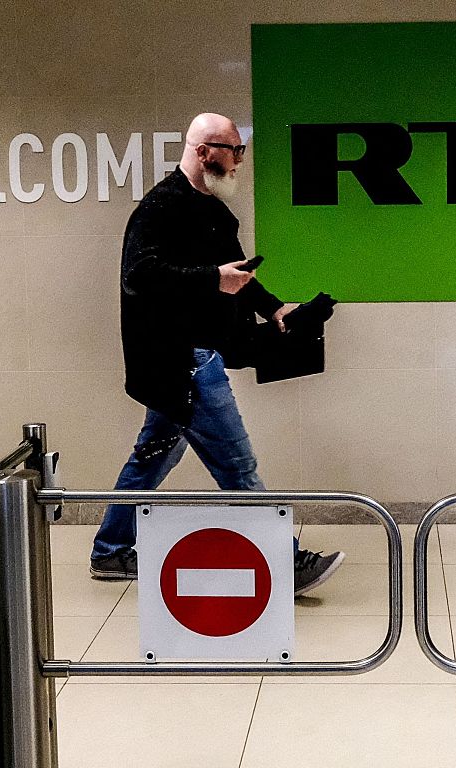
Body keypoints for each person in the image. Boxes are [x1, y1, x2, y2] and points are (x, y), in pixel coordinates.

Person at [90, 112, 344, 594]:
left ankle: (110, 550)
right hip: (183, 360)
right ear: (204, 151)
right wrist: (212, 279)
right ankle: (285, 562)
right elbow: (139, 275)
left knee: (151, 457)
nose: (240, 162)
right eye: (234, 151)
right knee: (237, 467)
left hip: (194, 357)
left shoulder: (214, 212)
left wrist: (275, 309)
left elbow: (237, 275)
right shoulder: (160, 207)